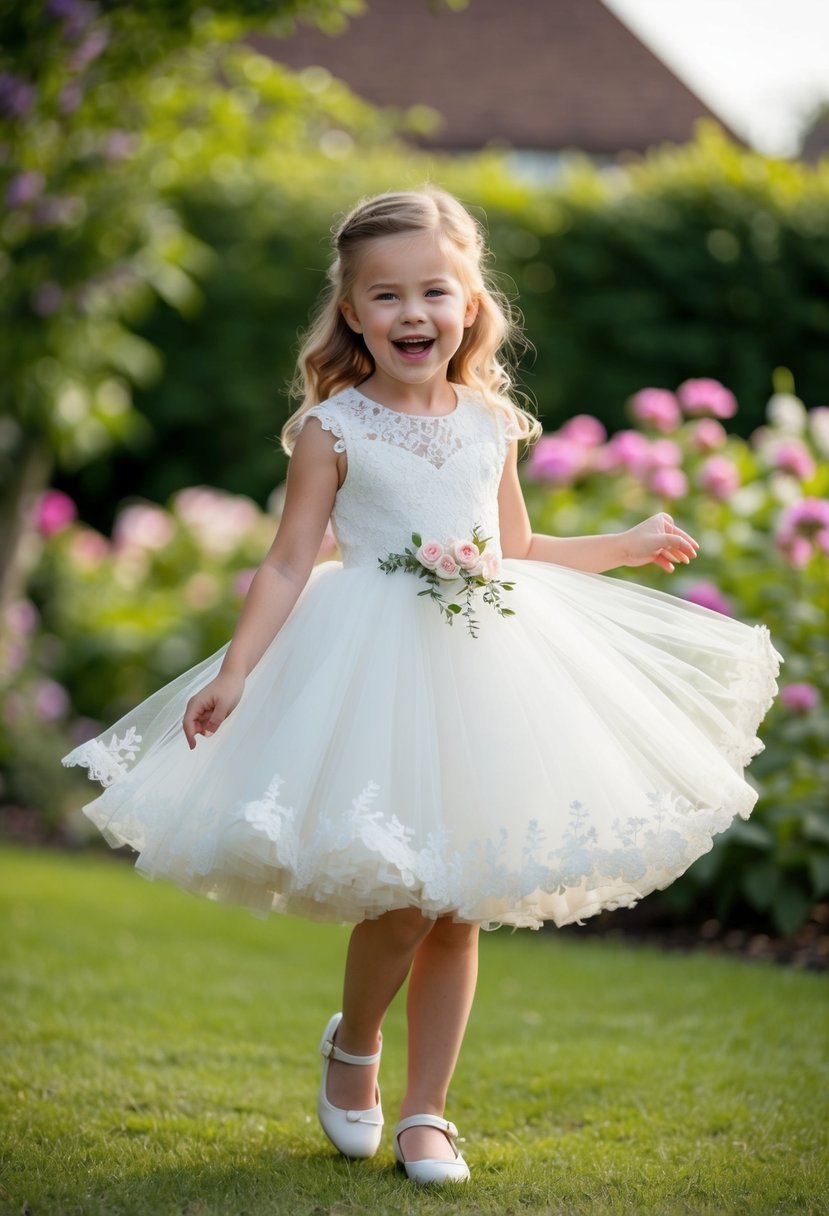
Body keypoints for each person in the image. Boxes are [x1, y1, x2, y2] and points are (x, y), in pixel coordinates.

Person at [62, 187, 782, 1186]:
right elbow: (284, 562)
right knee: (400, 895)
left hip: (484, 665)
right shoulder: (333, 428)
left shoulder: (490, 422)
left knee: (459, 902)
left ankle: (427, 1114)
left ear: (470, 304)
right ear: (352, 313)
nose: (412, 313)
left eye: (433, 291)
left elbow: (515, 548)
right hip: (370, 668)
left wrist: (622, 544)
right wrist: (236, 671)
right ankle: (353, 1044)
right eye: (386, 295)